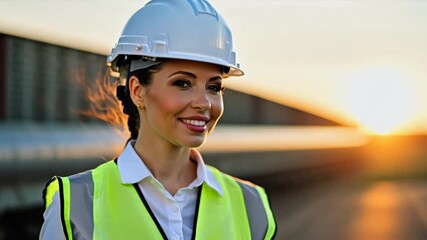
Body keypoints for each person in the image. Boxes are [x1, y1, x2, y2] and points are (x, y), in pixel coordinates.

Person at [40, 0, 277, 239]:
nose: (204, 102)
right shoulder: (75, 206)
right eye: (182, 83)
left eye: (214, 87)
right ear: (137, 91)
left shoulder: (251, 206)